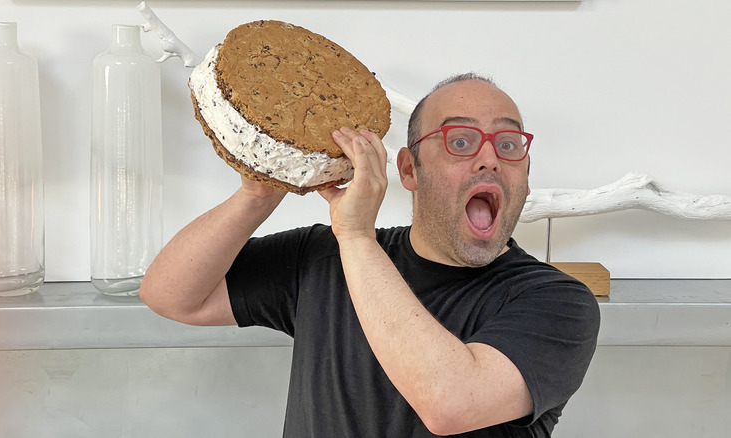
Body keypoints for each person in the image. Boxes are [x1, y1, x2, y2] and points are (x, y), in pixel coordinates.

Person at [140, 73, 601, 437]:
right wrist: (258, 194)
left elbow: (449, 402)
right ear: (408, 170)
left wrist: (357, 236)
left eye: (509, 144)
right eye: (460, 141)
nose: (489, 159)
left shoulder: (558, 303)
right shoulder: (321, 257)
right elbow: (170, 295)